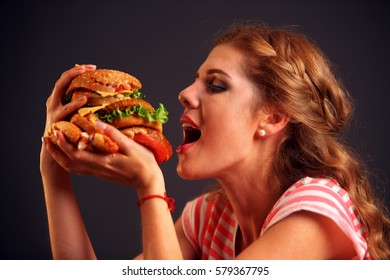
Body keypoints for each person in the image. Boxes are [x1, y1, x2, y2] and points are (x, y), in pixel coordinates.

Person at [40, 22, 390, 260]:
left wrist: (150, 185)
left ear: (272, 117)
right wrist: (54, 170)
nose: (184, 94)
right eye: (195, 81)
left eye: (216, 85)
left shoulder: (316, 209)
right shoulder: (209, 219)